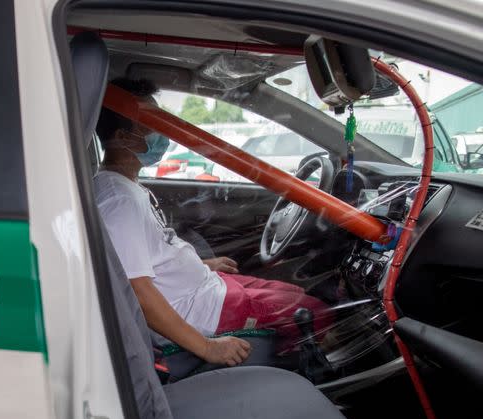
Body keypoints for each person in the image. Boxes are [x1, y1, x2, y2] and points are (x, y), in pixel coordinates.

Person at [94, 78, 332, 367]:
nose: (165, 132)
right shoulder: (119, 202)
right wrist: (207, 348)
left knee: (294, 293)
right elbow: (137, 292)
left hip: (208, 289)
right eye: (153, 124)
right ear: (123, 137)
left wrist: (204, 265)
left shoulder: (124, 186)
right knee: (320, 315)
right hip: (205, 312)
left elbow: (151, 258)